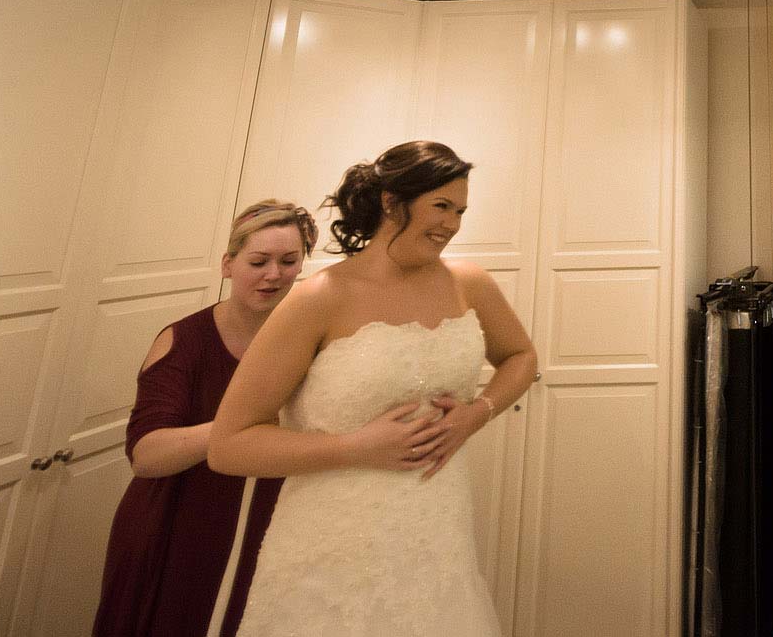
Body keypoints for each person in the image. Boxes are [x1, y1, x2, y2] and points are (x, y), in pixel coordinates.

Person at [209, 140, 536, 637]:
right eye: (441, 206)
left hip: (437, 529)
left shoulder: (469, 284)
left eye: (461, 210)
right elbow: (229, 445)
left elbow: (522, 357)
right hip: (332, 539)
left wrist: (478, 413)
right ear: (390, 202)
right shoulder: (317, 300)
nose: (452, 224)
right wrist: (355, 446)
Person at [93, 199, 318, 637]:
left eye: (289, 261)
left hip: (268, 528)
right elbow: (146, 455)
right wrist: (241, 429)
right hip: (174, 528)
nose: (274, 274)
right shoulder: (184, 340)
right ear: (227, 265)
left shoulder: (309, 345)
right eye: (259, 261)